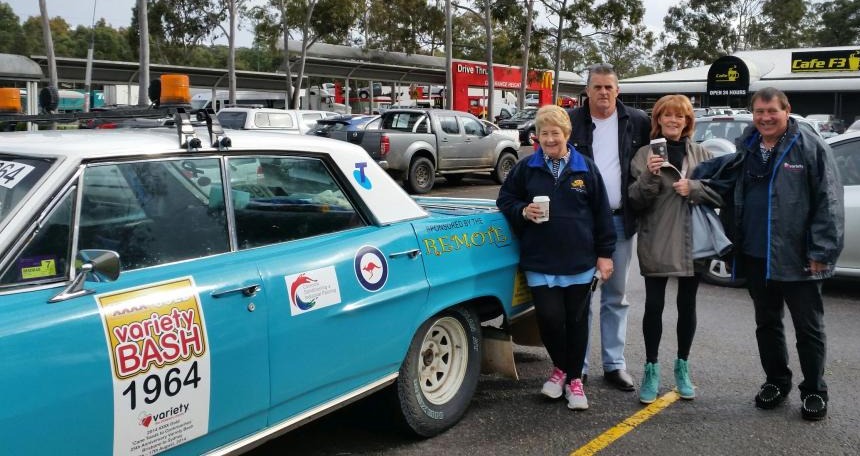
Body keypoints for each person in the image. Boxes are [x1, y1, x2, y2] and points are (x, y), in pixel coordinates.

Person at [695, 87, 843, 421]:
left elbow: (828, 200)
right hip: (755, 253)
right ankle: (776, 381)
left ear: (786, 110)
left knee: (809, 328)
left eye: (771, 111)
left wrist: (822, 249)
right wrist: (689, 180)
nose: (765, 118)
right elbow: (722, 176)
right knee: (767, 323)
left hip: (799, 256)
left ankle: (815, 391)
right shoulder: (749, 147)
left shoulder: (808, 145)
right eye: (759, 112)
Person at [497, 105, 616, 411]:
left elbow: (603, 214)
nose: (550, 139)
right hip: (540, 260)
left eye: (556, 133)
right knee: (550, 320)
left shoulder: (585, 168)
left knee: (576, 322)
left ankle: (573, 380)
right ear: (537, 136)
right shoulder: (526, 168)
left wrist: (605, 255)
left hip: (579, 260)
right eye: (544, 133)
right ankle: (562, 368)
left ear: (567, 134)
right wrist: (523, 211)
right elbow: (505, 199)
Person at [627, 94, 722, 404]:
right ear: (658, 120)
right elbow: (636, 201)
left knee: (688, 305)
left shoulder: (703, 154)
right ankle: (651, 368)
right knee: (654, 307)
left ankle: (682, 366)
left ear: (687, 121)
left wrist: (693, 188)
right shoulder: (644, 154)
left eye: (679, 116)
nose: (673, 121)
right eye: (667, 116)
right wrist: (650, 176)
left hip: (693, 241)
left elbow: (719, 194)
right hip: (657, 239)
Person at [568, 63, 651, 391]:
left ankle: (615, 365)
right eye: (597, 87)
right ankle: (579, 365)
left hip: (619, 221)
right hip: (579, 224)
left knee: (616, 295)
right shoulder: (571, 122)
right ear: (587, 91)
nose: (603, 92)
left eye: (609, 87)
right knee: (581, 296)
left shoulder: (638, 122)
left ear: (618, 90)